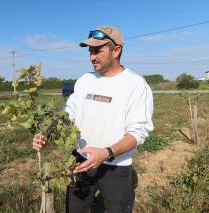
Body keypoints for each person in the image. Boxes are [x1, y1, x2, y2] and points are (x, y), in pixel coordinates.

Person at [32, 26, 154, 213]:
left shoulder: (135, 85)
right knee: (74, 209)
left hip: (116, 168)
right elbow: (68, 114)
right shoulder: (84, 81)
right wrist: (48, 134)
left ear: (116, 50)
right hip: (80, 162)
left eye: (98, 51)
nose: (92, 57)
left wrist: (106, 152)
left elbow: (138, 132)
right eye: (90, 52)